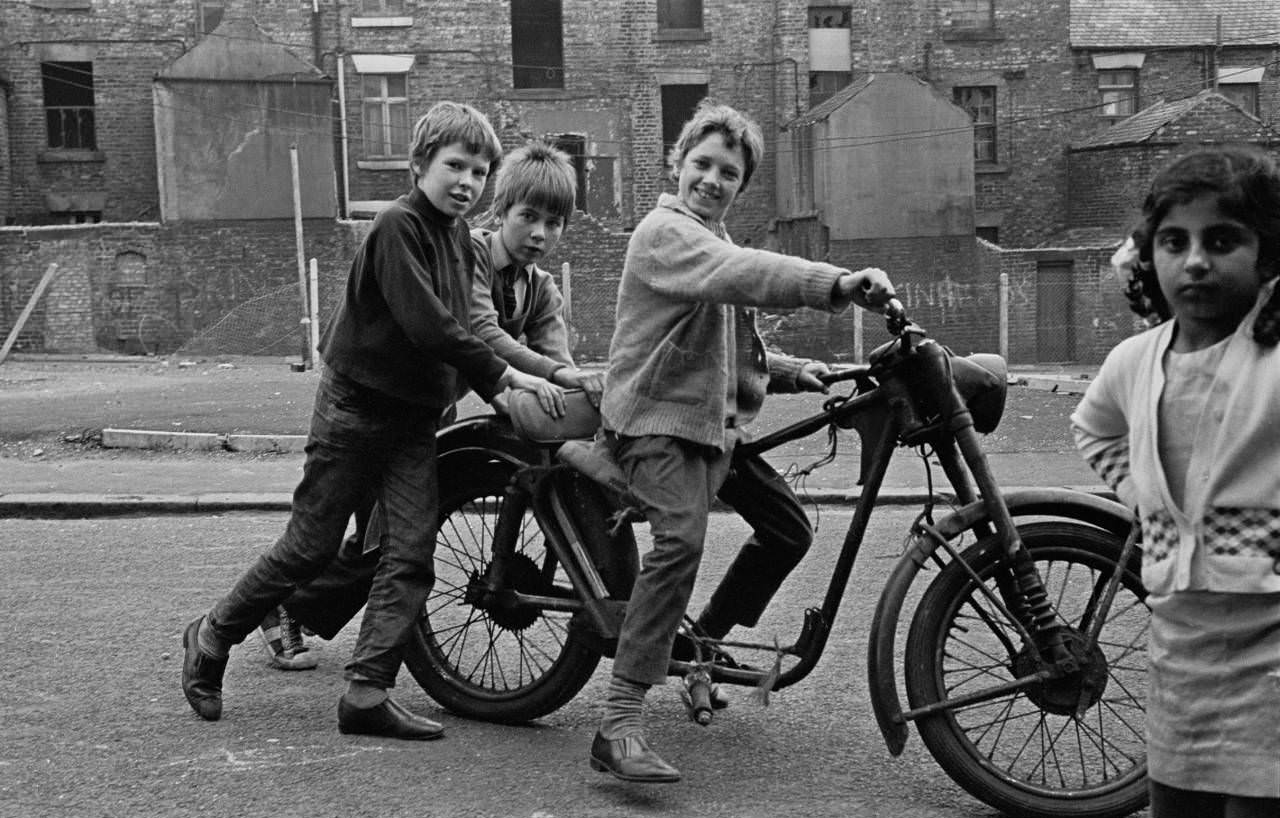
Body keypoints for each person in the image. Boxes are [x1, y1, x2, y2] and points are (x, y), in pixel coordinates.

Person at [180, 101, 560, 739]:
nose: (467, 181)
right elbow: (432, 326)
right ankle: (212, 634)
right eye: (454, 166)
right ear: (419, 165)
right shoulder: (397, 227)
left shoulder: (456, 238)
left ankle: (366, 691)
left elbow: (470, 325)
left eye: (479, 170)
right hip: (355, 409)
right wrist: (509, 376)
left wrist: (540, 375)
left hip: (412, 419)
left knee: (409, 555)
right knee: (311, 547)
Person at [588, 102, 895, 783]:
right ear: (678, 165)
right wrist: (837, 283)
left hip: (707, 426)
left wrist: (789, 371)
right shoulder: (665, 233)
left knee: (787, 528)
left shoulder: (712, 239)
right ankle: (618, 721)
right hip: (655, 420)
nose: (712, 179)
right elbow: (744, 272)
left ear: (740, 183)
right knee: (680, 544)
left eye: (728, 172)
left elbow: (728, 341)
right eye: (702, 164)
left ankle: (701, 650)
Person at [262, 140, 603, 649]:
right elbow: (483, 332)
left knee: (390, 537)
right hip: (371, 395)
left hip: (426, 409)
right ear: (501, 209)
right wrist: (546, 375)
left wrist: (571, 389)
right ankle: (279, 607)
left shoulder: (541, 289)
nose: (539, 234)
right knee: (338, 531)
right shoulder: (471, 255)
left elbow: (557, 359)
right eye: (528, 216)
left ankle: (329, 629)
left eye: (554, 223)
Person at [1071, 144, 1280, 818]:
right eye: (1173, 242)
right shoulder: (1134, 362)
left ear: (1266, 253)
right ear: (1147, 257)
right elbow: (1092, 427)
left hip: (1271, 652)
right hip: (1179, 652)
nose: (1194, 262)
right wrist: (1144, 498)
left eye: (1222, 241)